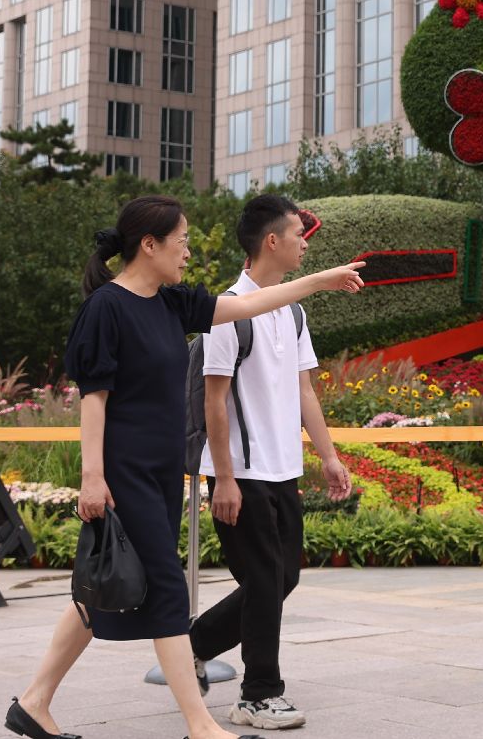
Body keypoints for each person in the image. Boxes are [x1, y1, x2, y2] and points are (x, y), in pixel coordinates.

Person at [5, 195, 363, 739]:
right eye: (183, 241)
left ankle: (34, 702)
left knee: (100, 589)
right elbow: (93, 399)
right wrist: (92, 477)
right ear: (149, 245)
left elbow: (249, 304)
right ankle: (201, 725)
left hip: (161, 470)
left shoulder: (172, 304)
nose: (189, 252)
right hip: (125, 473)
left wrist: (320, 282)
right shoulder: (106, 308)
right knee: (168, 589)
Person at [189, 195, 352, 731]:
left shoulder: (293, 311)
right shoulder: (226, 313)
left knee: (283, 579)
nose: (305, 243)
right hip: (241, 473)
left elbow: (304, 390)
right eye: (298, 234)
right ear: (272, 241)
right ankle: (258, 695)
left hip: (284, 470)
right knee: (263, 582)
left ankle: (193, 644)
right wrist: (224, 478)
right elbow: (214, 402)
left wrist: (328, 456)